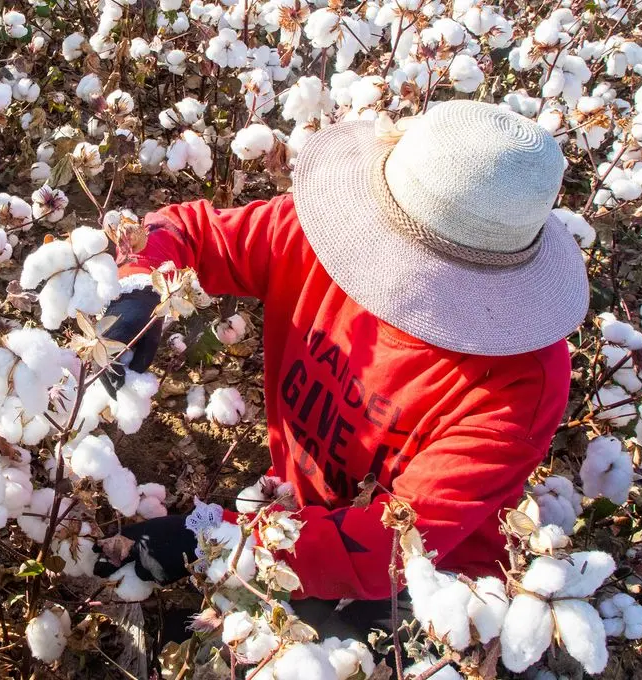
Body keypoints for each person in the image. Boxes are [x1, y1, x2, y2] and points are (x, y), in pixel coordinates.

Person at [91, 100, 590, 639]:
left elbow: (393, 547)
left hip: (428, 584)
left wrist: (215, 541)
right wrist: (138, 286)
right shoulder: (322, 238)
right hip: (299, 513)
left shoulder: (519, 384)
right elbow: (188, 231)